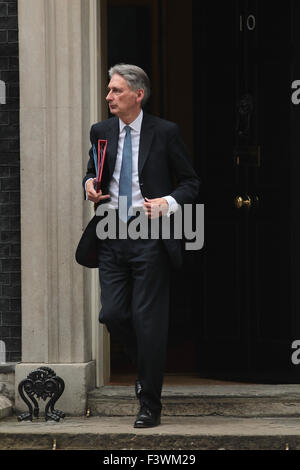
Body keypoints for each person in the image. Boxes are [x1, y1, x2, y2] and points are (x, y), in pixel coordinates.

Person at [76, 64, 200, 428]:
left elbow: (191, 182)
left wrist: (168, 203)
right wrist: (88, 185)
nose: (108, 97)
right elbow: (92, 171)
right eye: (109, 90)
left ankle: (149, 404)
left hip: (150, 237)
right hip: (111, 235)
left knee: (149, 324)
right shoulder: (100, 131)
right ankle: (145, 371)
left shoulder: (165, 132)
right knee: (113, 314)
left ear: (137, 94)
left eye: (115, 91)